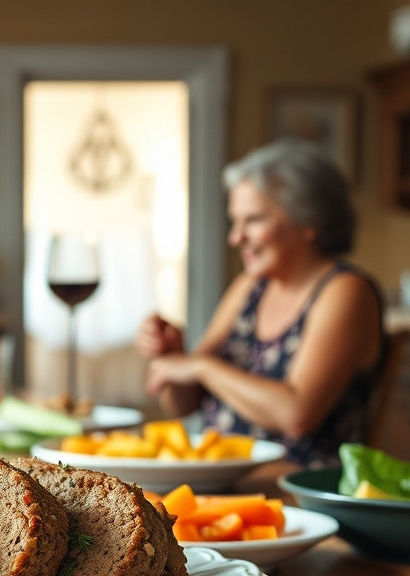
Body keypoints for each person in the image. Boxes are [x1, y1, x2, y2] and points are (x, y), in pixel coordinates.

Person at [136, 139, 384, 467]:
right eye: (235, 221)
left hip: (298, 490)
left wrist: (201, 366)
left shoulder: (346, 291)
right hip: (224, 482)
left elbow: (296, 414)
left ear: (310, 221)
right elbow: (185, 405)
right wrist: (173, 357)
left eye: (252, 220)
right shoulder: (250, 287)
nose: (236, 238)